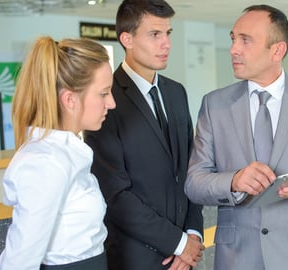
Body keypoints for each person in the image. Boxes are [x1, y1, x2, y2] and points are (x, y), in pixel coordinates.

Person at [185, 4, 288, 270]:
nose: (233, 49)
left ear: (278, 50)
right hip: (236, 256)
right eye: (233, 39)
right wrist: (234, 181)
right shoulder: (213, 105)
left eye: (245, 40)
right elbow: (194, 183)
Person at [83, 0, 204, 269]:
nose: (167, 43)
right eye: (154, 34)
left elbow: (190, 171)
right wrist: (178, 243)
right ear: (127, 39)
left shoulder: (176, 93)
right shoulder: (105, 102)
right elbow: (115, 195)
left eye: (168, 33)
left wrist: (192, 235)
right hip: (134, 259)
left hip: (185, 256)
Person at [0, 36, 115, 269]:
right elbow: (20, 261)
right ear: (70, 99)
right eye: (103, 93)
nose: (111, 103)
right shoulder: (45, 162)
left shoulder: (65, 152)